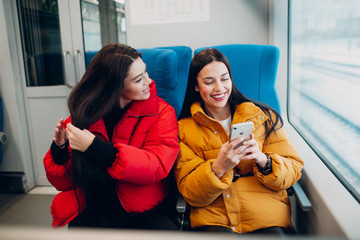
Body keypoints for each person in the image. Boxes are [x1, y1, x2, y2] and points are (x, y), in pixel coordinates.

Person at [43, 43, 179, 229]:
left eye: (146, 72)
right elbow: (64, 182)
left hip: (141, 210)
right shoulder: (86, 114)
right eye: (139, 79)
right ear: (115, 86)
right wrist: (59, 151)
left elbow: (156, 165)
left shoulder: (162, 112)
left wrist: (97, 149)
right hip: (94, 206)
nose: (149, 81)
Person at [174, 48, 304, 235]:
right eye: (209, 82)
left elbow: (294, 168)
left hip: (267, 217)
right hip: (216, 219)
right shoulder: (183, 130)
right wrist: (218, 168)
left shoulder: (263, 117)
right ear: (196, 86)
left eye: (225, 79)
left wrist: (264, 161)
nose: (219, 88)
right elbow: (190, 192)